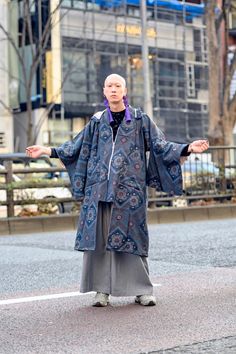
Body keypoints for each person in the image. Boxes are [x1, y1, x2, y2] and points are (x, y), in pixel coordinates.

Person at [26, 73, 209, 307]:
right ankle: (101, 290)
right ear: (104, 91)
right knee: (101, 241)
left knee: (135, 238)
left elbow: (160, 145)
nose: (113, 89)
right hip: (99, 191)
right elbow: (75, 147)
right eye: (109, 86)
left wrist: (187, 148)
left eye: (118, 86)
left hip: (130, 192)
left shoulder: (140, 119)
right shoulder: (96, 120)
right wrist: (46, 151)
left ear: (125, 91)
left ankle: (142, 290)